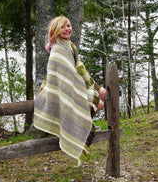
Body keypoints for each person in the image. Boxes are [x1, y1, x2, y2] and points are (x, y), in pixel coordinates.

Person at [34, 15, 106, 166]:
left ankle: (82, 124)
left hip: (75, 85)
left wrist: (94, 85)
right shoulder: (58, 49)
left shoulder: (69, 45)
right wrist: (85, 86)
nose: (67, 29)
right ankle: (81, 126)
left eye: (68, 25)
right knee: (98, 103)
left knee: (101, 96)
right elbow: (60, 75)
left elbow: (78, 68)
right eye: (63, 27)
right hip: (67, 88)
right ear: (55, 30)